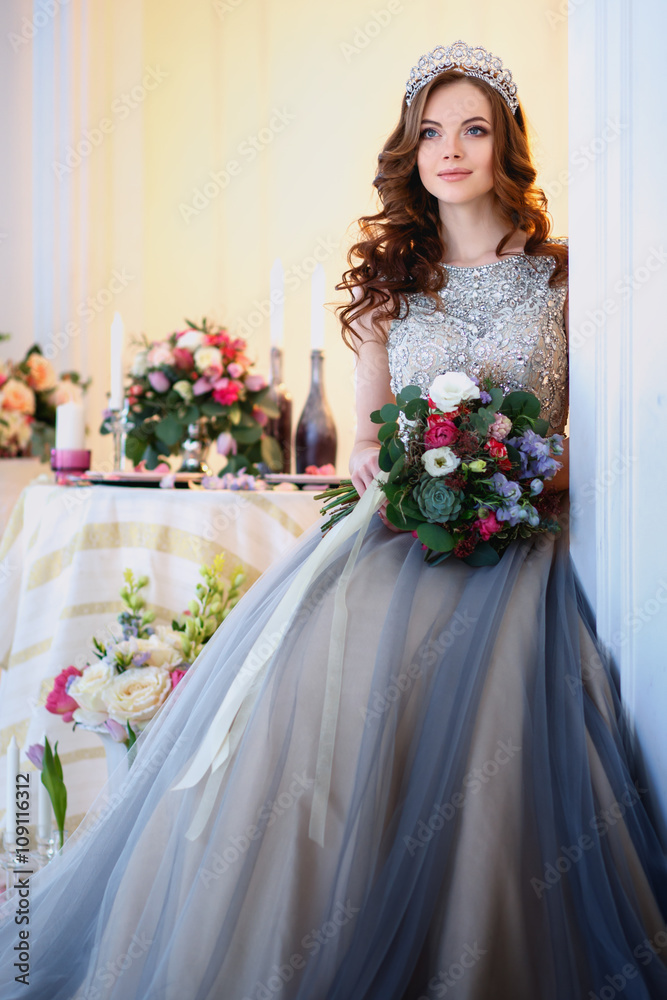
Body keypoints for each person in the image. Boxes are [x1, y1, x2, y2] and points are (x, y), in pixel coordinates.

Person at [1, 40, 666, 1000]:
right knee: (324, 687)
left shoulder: (568, 280)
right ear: (409, 149)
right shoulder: (390, 287)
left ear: (504, 146)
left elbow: (592, 439)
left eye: (473, 129)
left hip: (523, 542)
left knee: (496, 720)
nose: (450, 149)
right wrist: (388, 465)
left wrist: (516, 467)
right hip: (403, 531)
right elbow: (364, 439)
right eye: (431, 131)